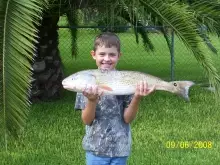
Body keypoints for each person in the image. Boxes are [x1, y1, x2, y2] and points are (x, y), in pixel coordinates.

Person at [74, 32, 155, 165]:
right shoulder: (86, 84)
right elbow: (87, 120)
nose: (107, 58)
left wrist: (137, 97)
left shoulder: (126, 82)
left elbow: (127, 119)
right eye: (102, 54)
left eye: (112, 54)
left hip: (120, 148)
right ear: (93, 55)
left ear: (119, 56)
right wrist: (92, 100)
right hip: (95, 150)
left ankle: (176, 87)